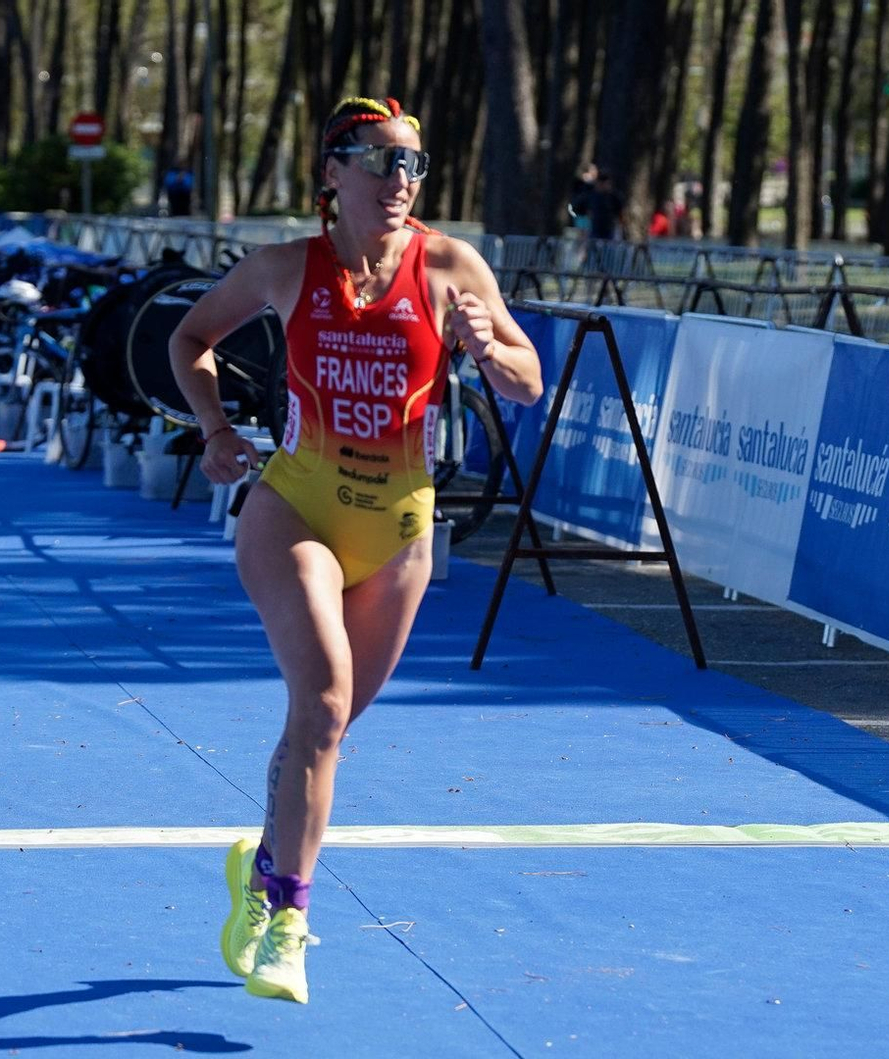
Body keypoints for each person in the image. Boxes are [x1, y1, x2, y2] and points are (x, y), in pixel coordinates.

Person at [167, 96, 542, 1005]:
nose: (400, 181)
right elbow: (189, 338)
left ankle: (259, 873)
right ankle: (289, 918)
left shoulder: (451, 266)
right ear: (333, 173)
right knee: (324, 699)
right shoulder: (284, 268)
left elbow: (529, 384)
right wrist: (215, 427)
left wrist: (490, 347)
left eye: (414, 163)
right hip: (293, 509)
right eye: (379, 161)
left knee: (321, 725)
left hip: (401, 532)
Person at [586, 169, 625, 241]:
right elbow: (589, 211)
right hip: (595, 228)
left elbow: (620, 213)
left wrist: (620, 228)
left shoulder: (614, 196)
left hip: (610, 229)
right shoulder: (592, 196)